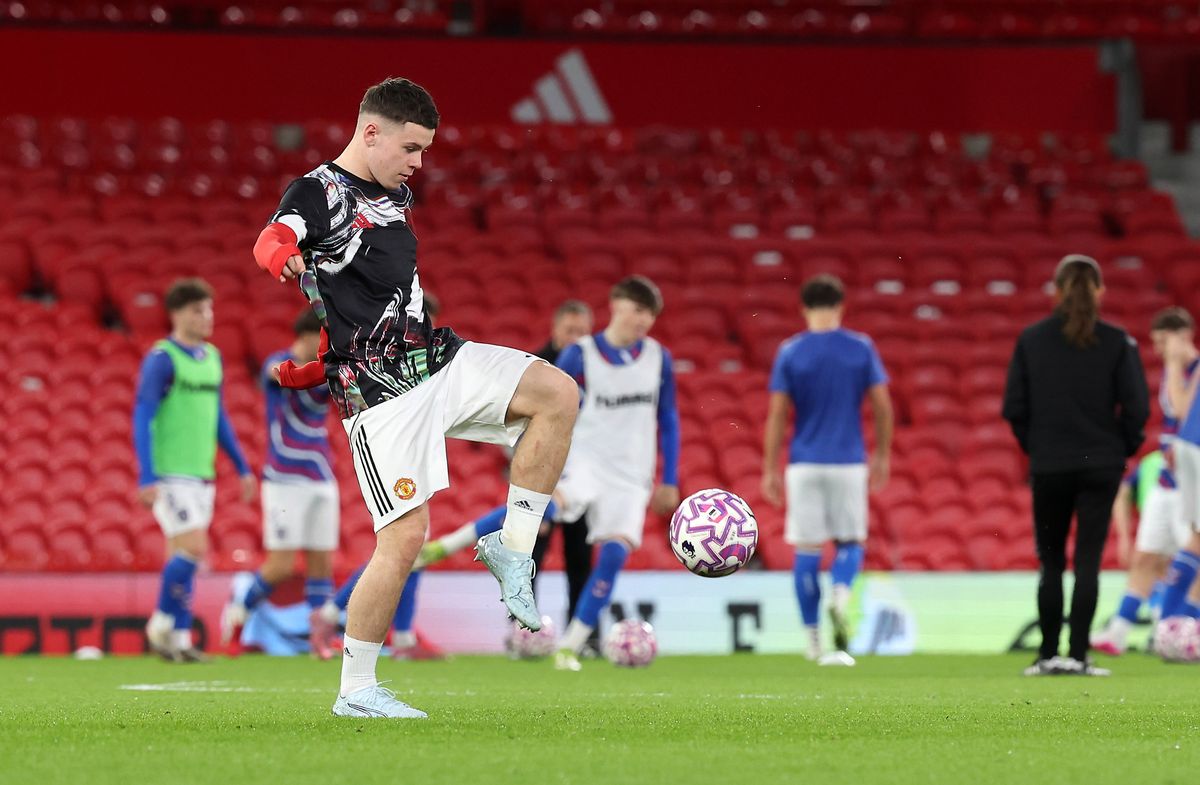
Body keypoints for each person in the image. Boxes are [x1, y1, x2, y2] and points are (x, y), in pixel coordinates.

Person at [252, 77, 578, 718]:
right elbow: (274, 237)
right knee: (404, 541)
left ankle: (513, 549)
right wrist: (283, 257)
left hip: (433, 358)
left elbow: (363, 293)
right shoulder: (316, 192)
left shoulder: (395, 193)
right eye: (411, 148)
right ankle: (356, 690)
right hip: (380, 395)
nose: (418, 164)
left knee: (557, 393)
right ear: (370, 132)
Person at [1002, 255, 1149, 676]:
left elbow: (1014, 408)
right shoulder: (1119, 343)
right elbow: (1137, 409)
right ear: (1100, 291)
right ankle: (1079, 654)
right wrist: (1119, 448)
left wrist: (1039, 447)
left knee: (1051, 563)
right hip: (1100, 464)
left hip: (1050, 465)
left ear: (1056, 291)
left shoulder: (1031, 340)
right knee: (1087, 562)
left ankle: (1048, 654)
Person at [418, 300, 594, 629]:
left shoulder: (594, 371)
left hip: (579, 480)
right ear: (556, 329)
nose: (576, 338)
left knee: (580, 557)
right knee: (529, 551)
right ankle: (519, 631)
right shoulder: (540, 372)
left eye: (582, 332)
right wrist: (541, 485)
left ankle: (584, 635)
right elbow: (520, 435)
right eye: (571, 330)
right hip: (544, 477)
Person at [760, 273, 892, 667]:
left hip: (804, 462)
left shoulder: (790, 351)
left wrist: (770, 468)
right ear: (841, 306)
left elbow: (778, 413)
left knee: (807, 548)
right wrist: (882, 454)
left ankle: (813, 640)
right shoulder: (861, 347)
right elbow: (882, 405)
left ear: (804, 308)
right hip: (848, 460)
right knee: (850, 541)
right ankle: (840, 594)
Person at [552, 276, 680, 672]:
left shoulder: (660, 358)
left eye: (651, 314)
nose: (644, 320)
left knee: (611, 556)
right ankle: (453, 542)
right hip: (584, 464)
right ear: (617, 305)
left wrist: (670, 477)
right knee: (534, 511)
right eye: (638, 309)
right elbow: (550, 416)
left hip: (630, 477)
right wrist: (548, 472)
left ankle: (569, 647)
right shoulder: (579, 355)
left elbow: (668, 419)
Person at [134, 278, 257, 662]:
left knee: (183, 557)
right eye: (198, 310)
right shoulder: (162, 358)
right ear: (177, 314)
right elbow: (143, 415)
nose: (207, 317)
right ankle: (159, 623)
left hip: (202, 474)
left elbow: (217, 417)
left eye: (209, 309)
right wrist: (146, 474)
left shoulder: (213, 357)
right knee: (195, 548)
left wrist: (240, 465)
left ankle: (181, 638)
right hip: (171, 473)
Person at [219, 308, 340, 659]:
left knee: (321, 563)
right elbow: (280, 377)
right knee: (282, 565)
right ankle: (237, 617)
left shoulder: (326, 372)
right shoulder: (277, 363)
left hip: (321, 476)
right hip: (283, 479)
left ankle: (319, 638)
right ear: (304, 337)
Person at [1092, 307, 1197, 655]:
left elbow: (1183, 413)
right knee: (1146, 558)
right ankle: (1119, 632)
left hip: (1191, 481)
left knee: (1192, 556)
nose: (1159, 351)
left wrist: (1172, 364)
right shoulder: (1181, 373)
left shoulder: (1194, 370)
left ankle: (1181, 626)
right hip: (1168, 482)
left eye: (1163, 342)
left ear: (1181, 337)